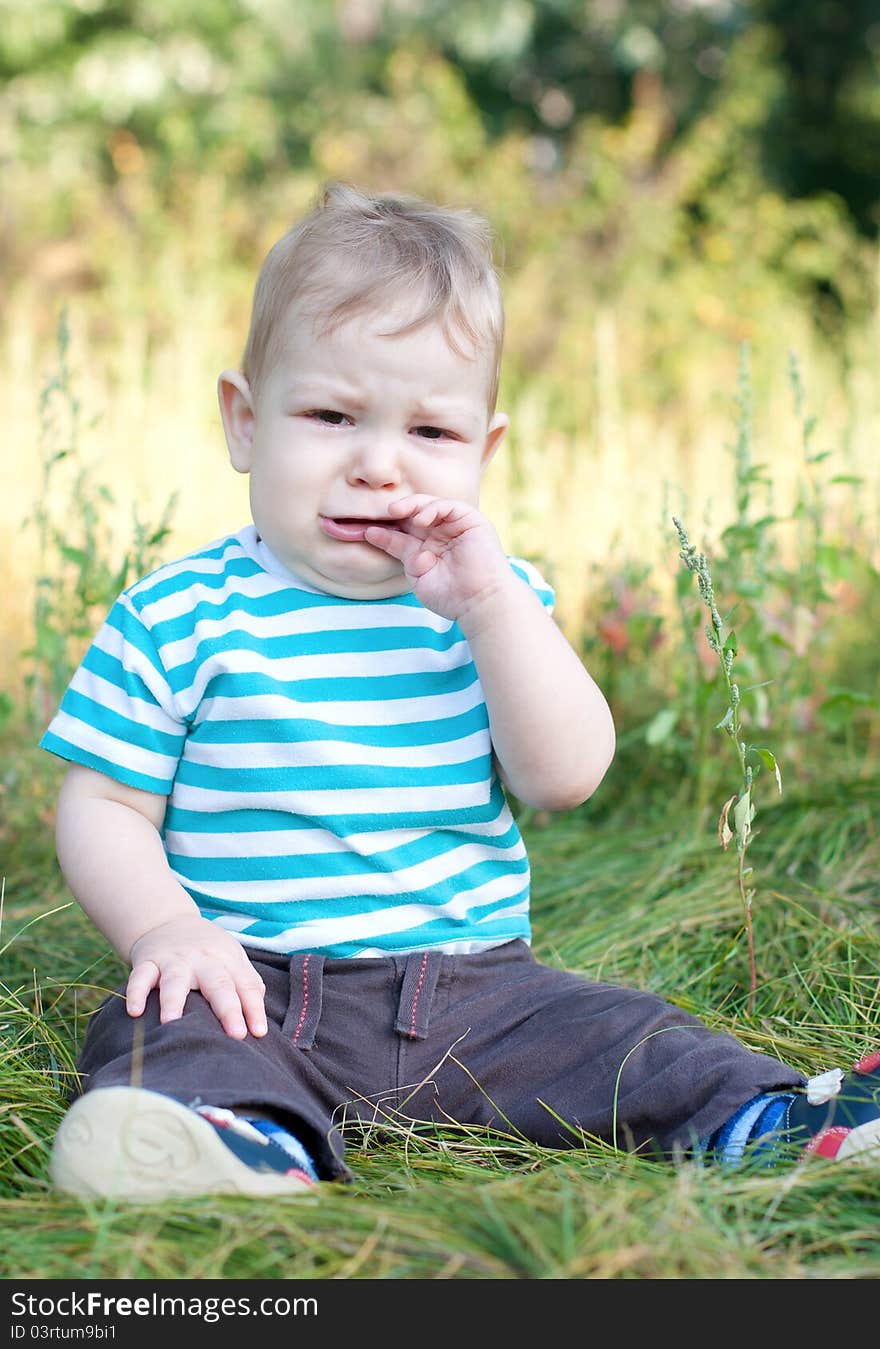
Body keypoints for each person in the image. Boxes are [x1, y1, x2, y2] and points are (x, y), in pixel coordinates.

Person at [41, 182, 880, 1201]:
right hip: (252, 979)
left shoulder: (493, 605)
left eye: (429, 435)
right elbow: (103, 805)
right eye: (330, 415)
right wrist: (165, 927)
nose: (379, 465)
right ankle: (232, 1137)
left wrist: (488, 608)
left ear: (483, 453)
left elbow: (563, 776)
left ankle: (777, 1118)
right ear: (246, 422)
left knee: (621, 1032)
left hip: (478, 988)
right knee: (158, 1023)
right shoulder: (178, 616)